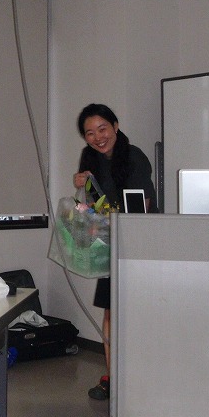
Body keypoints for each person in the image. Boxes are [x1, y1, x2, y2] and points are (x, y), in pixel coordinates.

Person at [72, 104, 157, 401]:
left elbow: (142, 206)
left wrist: (111, 221)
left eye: (103, 129)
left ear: (116, 126)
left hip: (140, 245)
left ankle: (142, 378)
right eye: (90, 133)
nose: (98, 137)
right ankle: (113, 378)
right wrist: (82, 191)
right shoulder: (89, 160)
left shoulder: (134, 156)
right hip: (110, 245)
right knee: (111, 312)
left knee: (138, 313)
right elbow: (92, 207)